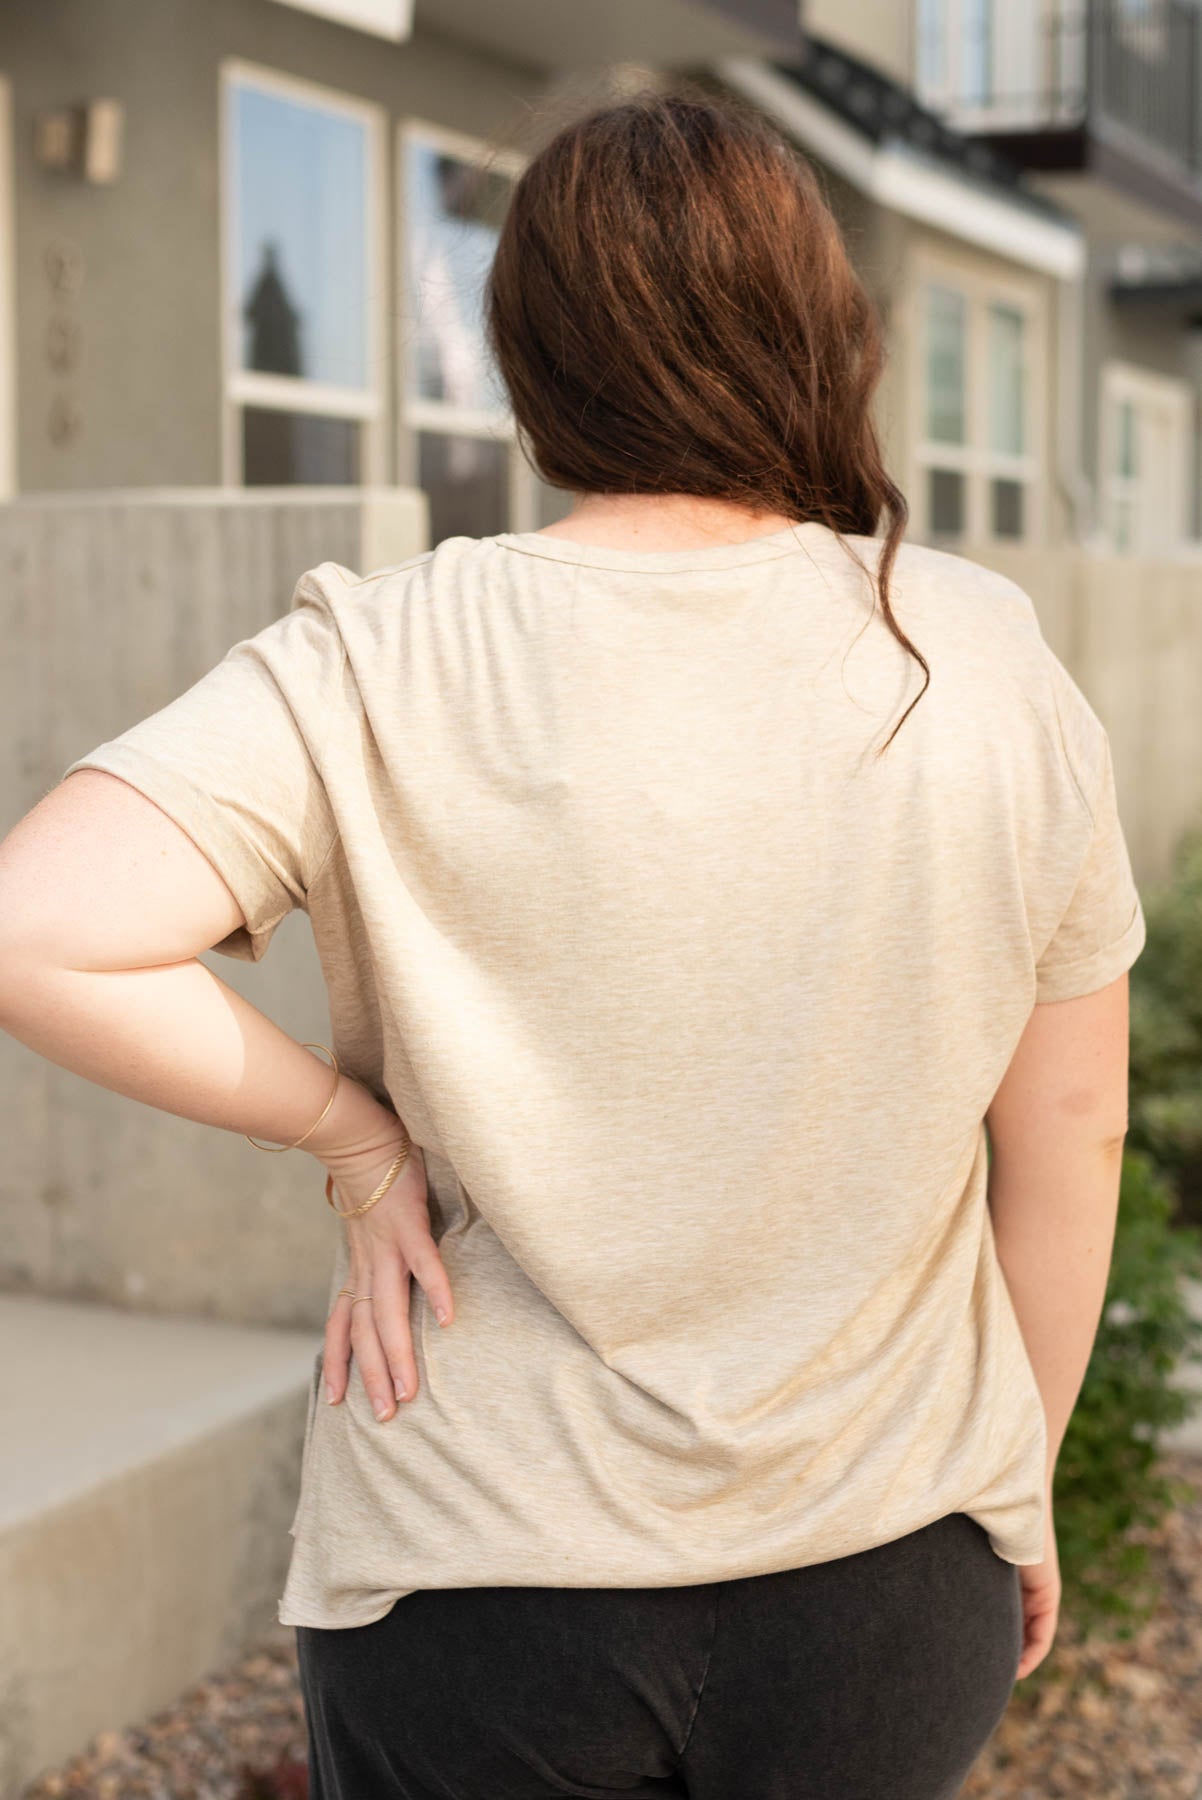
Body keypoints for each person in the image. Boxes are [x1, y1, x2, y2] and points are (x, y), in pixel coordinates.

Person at [0, 87, 1144, 1800]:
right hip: (892, 1561)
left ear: (527, 353)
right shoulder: (976, 655)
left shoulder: (384, 652)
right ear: (826, 336)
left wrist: (348, 1135)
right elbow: (1064, 1132)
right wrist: (1015, 1474)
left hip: (483, 1576)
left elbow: (39, 927)